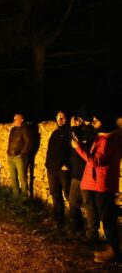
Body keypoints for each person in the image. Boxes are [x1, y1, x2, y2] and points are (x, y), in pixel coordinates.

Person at [72, 113, 122, 263]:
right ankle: (113, 249)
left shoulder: (107, 141)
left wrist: (78, 148)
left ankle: (115, 254)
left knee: (107, 219)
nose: (93, 121)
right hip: (99, 183)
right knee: (108, 216)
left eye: (96, 119)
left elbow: (95, 161)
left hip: (102, 185)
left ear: (104, 123)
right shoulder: (102, 138)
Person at [68, 110, 97, 240]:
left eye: (79, 118)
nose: (78, 121)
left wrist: (75, 130)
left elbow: (85, 150)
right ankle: (77, 227)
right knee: (73, 201)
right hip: (76, 175)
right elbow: (72, 139)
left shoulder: (91, 133)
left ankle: (92, 233)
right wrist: (74, 127)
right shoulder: (79, 130)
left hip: (86, 174)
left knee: (88, 203)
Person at [45, 111, 71, 228]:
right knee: (55, 195)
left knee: (69, 196)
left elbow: (73, 151)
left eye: (63, 117)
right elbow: (50, 150)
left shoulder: (70, 132)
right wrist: (47, 164)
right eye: (58, 117)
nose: (60, 120)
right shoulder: (55, 133)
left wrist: (68, 165)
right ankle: (58, 220)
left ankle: (76, 224)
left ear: (67, 119)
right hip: (52, 169)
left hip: (63, 170)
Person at [6, 113, 32, 196]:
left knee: (22, 178)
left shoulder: (25, 130)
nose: (13, 121)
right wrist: (8, 152)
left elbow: (28, 143)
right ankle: (16, 195)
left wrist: (22, 154)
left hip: (19, 157)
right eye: (13, 119)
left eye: (15, 119)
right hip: (10, 156)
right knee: (13, 177)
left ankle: (24, 196)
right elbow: (10, 142)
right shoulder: (13, 130)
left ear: (21, 120)